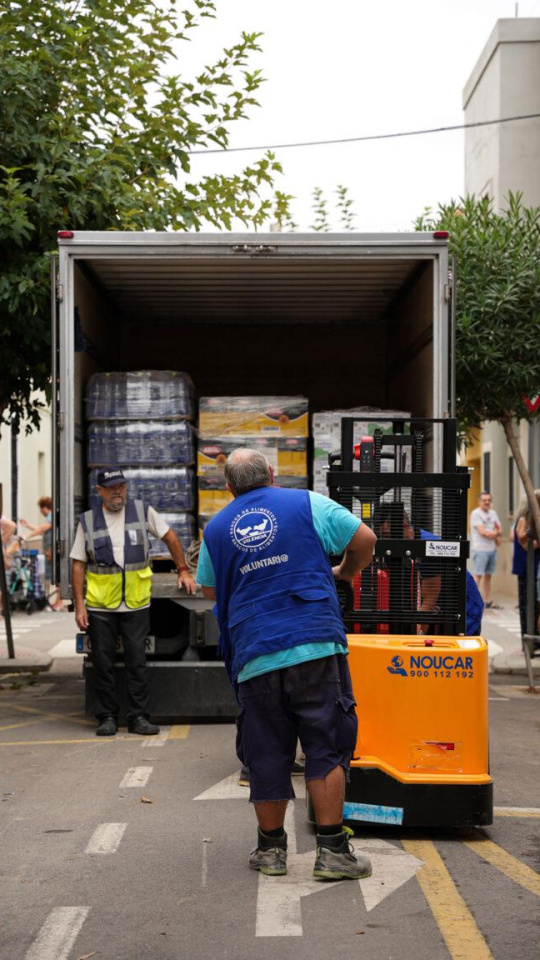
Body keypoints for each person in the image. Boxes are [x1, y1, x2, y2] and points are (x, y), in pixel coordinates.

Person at [196, 448, 376, 881]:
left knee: (267, 751)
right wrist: (345, 572)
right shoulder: (306, 503)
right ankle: (333, 852)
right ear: (272, 475)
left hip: (256, 652)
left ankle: (271, 851)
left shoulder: (216, 529)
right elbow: (365, 540)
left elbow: (208, 590)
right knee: (326, 744)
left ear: (228, 487)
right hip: (313, 643)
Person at [70, 468, 196, 737]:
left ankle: (138, 717)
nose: (118, 492)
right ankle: (106, 717)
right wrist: (79, 604)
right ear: (100, 491)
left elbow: (171, 538)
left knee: (137, 662)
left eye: (121, 486)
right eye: (111, 487)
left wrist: (183, 569)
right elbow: (78, 564)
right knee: (102, 663)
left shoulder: (142, 511)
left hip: (136, 604)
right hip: (100, 606)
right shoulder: (88, 521)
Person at [380, 509, 484, 636]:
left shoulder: (430, 548)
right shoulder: (391, 548)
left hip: (462, 610)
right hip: (436, 612)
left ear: (405, 527)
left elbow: (429, 600)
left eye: (386, 535)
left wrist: (418, 634)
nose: (384, 540)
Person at [20, 496, 63, 610]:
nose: (40, 511)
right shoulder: (51, 518)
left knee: (58, 577)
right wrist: (28, 526)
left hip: (54, 551)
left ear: (45, 507)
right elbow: (41, 529)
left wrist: (27, 536)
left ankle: (59, 602)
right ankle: (58, 602)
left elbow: (42, 529)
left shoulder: (52, 517)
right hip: (52, 551)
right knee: (56, 576)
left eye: (40, 509)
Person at [514, 492, 540, 639]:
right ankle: (529, 638)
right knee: (527, 604)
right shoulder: (525, 518)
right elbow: (521, 538)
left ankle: (532, 637)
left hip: (529, 566)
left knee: (533, 604)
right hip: (526, 566)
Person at [470, 492, 502, 608]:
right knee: (478, 574)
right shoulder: (476, 514)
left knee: (488, 576)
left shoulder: (493, 513)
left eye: (489, 500)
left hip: (492, 549)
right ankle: (471, 599)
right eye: (484, 500)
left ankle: (487, 600)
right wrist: (495, 533)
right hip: (480, 549)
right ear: (479, 501)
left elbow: (500, 529)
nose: (487, 502)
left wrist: (493, 533)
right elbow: (482, 532)